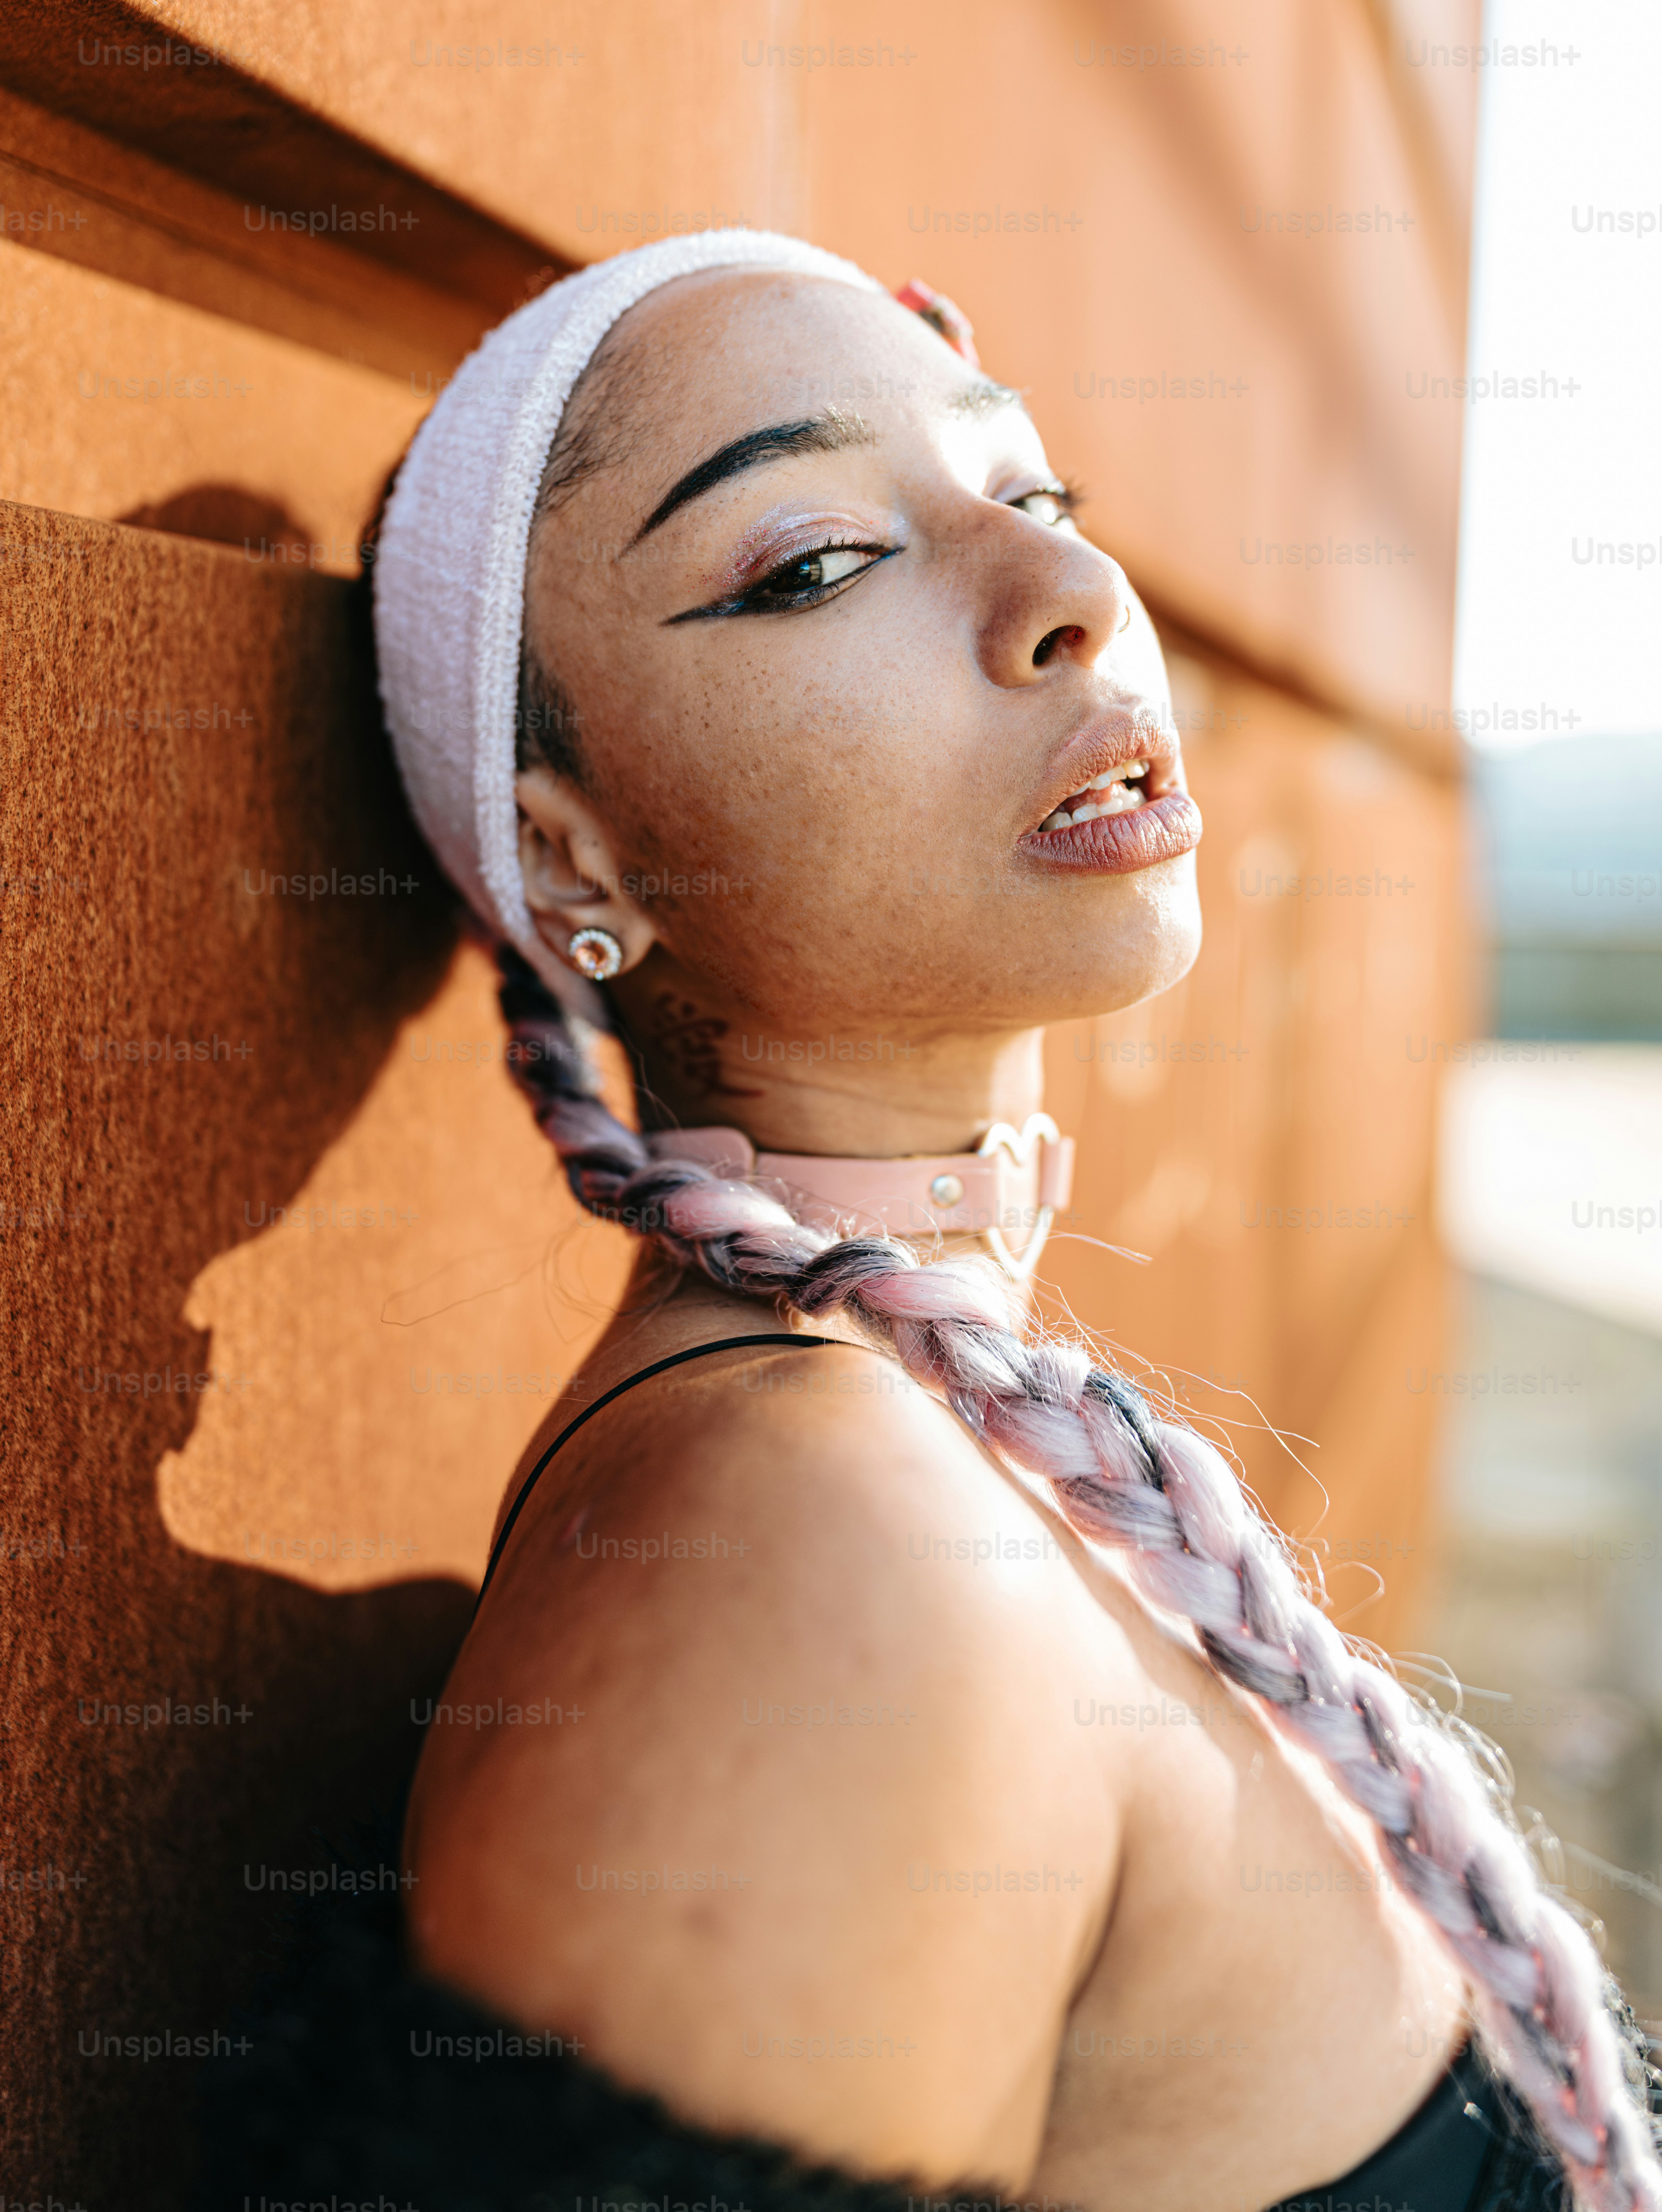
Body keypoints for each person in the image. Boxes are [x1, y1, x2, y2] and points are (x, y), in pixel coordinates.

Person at [198, 232, 1658, 2212]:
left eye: (1033, 489)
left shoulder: (885, 1450)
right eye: (819, 562)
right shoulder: (814, 1551)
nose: (1075, 594)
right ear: (574, 859)